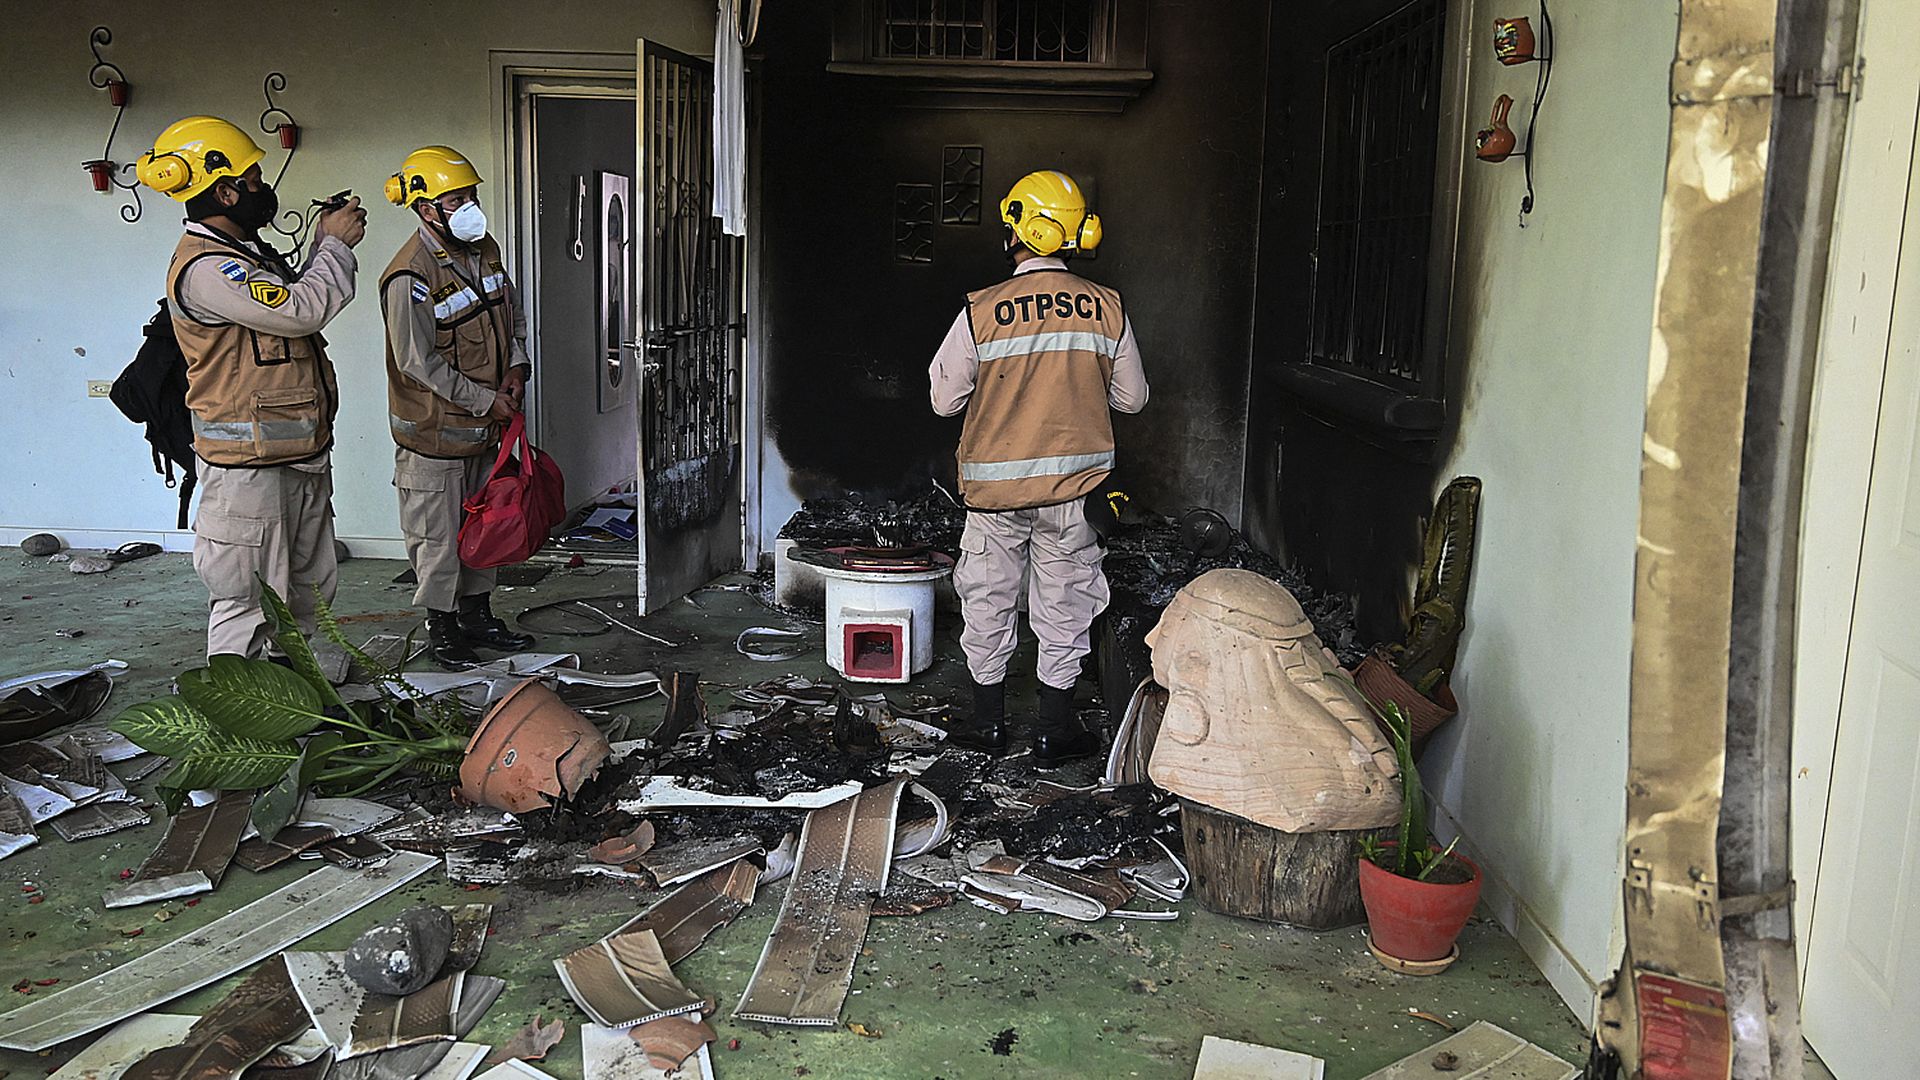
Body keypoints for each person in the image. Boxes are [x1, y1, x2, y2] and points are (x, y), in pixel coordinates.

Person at [928, 170, 1149, 765]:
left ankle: (988, 726)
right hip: (1076, 497)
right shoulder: (1106, 309)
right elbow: (1132, 399)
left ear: (1020, 232)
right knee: (1066, 602)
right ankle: (1055, 732)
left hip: (995, 497)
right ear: (1078, 235)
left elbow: (944, 400)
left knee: (988, 599)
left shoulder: (981, 310)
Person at [135, 116, 366, 660]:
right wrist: (333, 246)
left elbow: (289, 307)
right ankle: (249, 724)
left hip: (296, 455)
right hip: (246, 470)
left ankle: (299, 696)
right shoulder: (209, 269)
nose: (263, 190)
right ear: (225, 190)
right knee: (248, 600)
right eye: (255, 180)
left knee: (308, 592)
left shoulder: (246, 256)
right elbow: (302, 312)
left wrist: (318, 247)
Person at [378, 146, 536, 670]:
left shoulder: (483, 250)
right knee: (438, 540)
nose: (470, 207)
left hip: (486, 432)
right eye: (456, 199)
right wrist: (485, 401)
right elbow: (417, 362)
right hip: (436, 437)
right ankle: (442, 630)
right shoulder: (409, 275)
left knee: (483, 531)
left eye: (472, 195)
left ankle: (477, 616)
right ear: (426, 209)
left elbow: (509, 316)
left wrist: (516, 366)